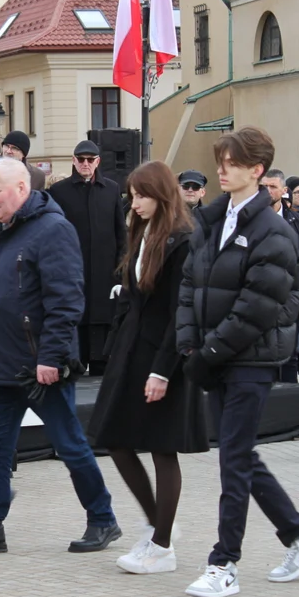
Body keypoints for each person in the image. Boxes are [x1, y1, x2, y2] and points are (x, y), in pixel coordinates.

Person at [178, 126, 299, 597]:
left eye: (232, 162)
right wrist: (189, 347)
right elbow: (189, 286)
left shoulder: (274, 232)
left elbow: (258, 306)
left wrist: (211, 352)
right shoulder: (212, 219)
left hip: (251, 361)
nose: (222, 168)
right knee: (239, 454)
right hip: (215, 356)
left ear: (257, 170)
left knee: (234, 460)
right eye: (221, 160)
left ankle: (224, 563)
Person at [0, 158, 120, 556]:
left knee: (69, 444)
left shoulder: (53, 230)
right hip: (3, 360)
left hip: (41, 364)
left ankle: (102, 519)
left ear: (22, 189)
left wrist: (52, 356)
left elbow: (66, 299)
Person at [89, 161, 204, 574]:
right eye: (132, 196)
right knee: (113, 438)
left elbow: (180, 313)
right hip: (131, 351)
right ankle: (158, 525)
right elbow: (131, 298)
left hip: (163, 356)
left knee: (161, 447)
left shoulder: (184, 240)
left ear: (162, 195)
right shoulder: (143, 233)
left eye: (142, 195)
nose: (134, 203)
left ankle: (162, 545)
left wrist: (163, 370)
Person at [49, 140, 126, 373]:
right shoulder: (59, 191)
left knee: (103, 324)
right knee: (77, 321)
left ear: (97, 162)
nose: (85, 164)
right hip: (73, 271)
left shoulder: (111, 189)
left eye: (89, 160)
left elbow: (121, 232)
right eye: (80, 159)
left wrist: (121, 268)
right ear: (73, 161)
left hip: (105, 272)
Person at [262, 169, 299, 384]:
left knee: (290, 357)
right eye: (264, 186)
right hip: (260, 298)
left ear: (283, 190)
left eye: (273, 187)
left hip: (291, 299)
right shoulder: (249, 218)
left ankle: (288, 412)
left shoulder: (297, 222)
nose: (268, 191)